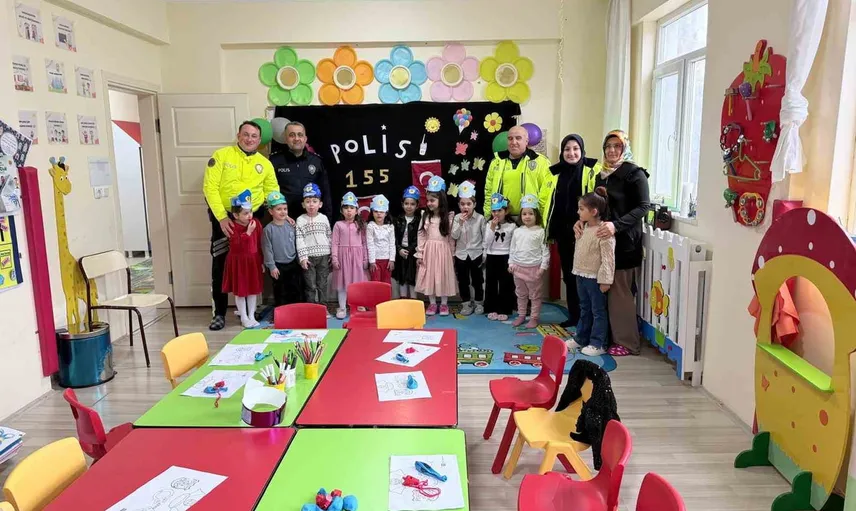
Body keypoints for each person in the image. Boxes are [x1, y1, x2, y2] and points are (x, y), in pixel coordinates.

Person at [575, 130, 650, 356]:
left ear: (625, 148)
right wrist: (582, 221)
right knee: (601, 294)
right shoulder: (602, 175)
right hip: (602, 239)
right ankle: (603, 338)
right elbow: (595, 206)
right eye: (608, 146)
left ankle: (627, 342)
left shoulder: (635, 174)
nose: (612, 150)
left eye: (617, 146)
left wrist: (616, 226)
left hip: (625, 242)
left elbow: (643, 206)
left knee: (620, 293)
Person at [202, 120, 278, 330]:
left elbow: (272, 190)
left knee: (251, 263)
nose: (249, 139)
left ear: (259, 140)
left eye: (254, 136)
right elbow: (210, 187)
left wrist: (278, 213)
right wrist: (221, 217)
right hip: (225, 219)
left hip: (253, 220)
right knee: (221, 264)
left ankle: (249, 311)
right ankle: (219, 313)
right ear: (238, 136)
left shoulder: (265, 163)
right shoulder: (222, 156)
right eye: (246, 134)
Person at [540, 134, 599, 328]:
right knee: (569, 275)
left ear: (582, 150)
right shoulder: (554, 172)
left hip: (585, 232)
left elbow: (598, 201)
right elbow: (545, 200)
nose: (571, 153)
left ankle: (588, 319)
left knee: (586, 276)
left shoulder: (592, 169)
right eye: (567, 149)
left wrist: (586, 221)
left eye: (575, 149)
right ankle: (574, 316)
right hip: (563, 232)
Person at [568, 187, 615, 356]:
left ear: (594, 211)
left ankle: (598, 343)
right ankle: (581, 338)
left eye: (581, 209)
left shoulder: (603, 231)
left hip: (595, 278)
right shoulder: (583, 227)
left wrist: (605, 280)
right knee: (584, 308)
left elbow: (608, 258)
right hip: (580, 274)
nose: (578, 212)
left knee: (598, 311)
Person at [483, 125, 552, 218]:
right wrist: (488, 216)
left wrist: (541, 219)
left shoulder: (541, 162)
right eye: (510, 138)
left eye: (518, 138)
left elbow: (546, 194)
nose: (513, 142)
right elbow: (488, 191)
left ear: (526, 141)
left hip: (529, 219)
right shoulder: (496, 162)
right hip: (502, 219)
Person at [270, 121, 333, 223]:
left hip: (312, 220)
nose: (296, 138)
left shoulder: (316, 161)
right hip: (284, 220)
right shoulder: (275, 161)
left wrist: (328, 219)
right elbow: (270, 192)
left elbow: (325, 193)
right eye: (292, 135)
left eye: (300, 135)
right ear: (286, 139)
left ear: (305, 139)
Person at [221, 190, 263, 329]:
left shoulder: (256, 223)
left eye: (250, 212)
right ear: (236, 215)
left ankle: (251, 315)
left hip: (253, 261)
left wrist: (262, 261)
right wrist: (247, 233)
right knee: (241, 290)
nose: (249, 215)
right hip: (238, 262)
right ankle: (244, 316)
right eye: (245, 213)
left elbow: (260, 243)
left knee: (253, 290)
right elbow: (236, 245)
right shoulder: (232, 226)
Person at [415, 176, 457, 316]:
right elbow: (421, 235)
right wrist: (420, 253)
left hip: (443, 251)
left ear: (441, 200)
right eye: (428, 200)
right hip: (429, 251)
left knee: (443, 275)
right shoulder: (425, 216)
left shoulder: (448, 217)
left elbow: (451, 238)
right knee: (430, 276)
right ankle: (432, 303)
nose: (429, 203)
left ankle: (444, 304)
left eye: (432, 200)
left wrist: (452, 254)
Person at [509, 194, 550, 329]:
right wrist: (511, 263)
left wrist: (542, 268)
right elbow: (512, 248)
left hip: (534, 269)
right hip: (518, 268)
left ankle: (534, 317)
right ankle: (521, 315)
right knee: (520, 294)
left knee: (535, 295)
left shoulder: (541, 231)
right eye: (524, 214)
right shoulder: (517, 231)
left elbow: (545, 251)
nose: (527, 216)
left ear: (536, 215)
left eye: (531, 213)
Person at [332, 192, 369, 319]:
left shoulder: (361, 225)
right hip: (343, 258)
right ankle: (342, 307)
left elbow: (364, 243)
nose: (349, 211)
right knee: (342, 283)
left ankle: (358, 305)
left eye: (352, 208)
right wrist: (335, 258)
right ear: (341, 210)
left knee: (357, 283)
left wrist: (365, 258)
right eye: (346, 208)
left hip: (357, 258)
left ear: (356, 210)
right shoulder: (338, 225)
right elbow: (335, 243)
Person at [296, 183, 332, 313]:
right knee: (310, 285)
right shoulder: (300, 220)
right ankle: (311, 309)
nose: (311, 205)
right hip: (309, 257)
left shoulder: (324, 218)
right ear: (303, 204)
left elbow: (329, 235)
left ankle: (323, 308)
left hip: (324, 256)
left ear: (320, 204)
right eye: (308, 201)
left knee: (322, 284)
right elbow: (299, 239)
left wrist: (331, 253)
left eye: (314, 201)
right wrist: (303, 257)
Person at [451, 181, 485, 316]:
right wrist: (460, 223)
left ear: (474, 205)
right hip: (461, 254)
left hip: (476, 254)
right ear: (459, 205)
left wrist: (484, 254)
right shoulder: (457, 218)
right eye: (462, 204)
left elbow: (485, 237)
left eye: (469, 204)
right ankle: (466, 303)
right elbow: (454, 235)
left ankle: (479, 303)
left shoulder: (480, 218)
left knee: (477, 280)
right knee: (463, 280)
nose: (465, 206)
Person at [262, 191, 302, 307]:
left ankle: (295, 311)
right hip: (278, 266)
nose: (283, 211)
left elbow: (297, 243)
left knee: (295, 289)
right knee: (280, 291)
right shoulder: (268, 229)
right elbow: (267, 249)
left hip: (293, 263)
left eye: (285, 209)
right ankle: (281, 312)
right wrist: (272, 266)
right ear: (271, 211)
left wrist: (299, 259)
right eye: (279, 209)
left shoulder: (291, 226)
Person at [483, 193, 517, 321]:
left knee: (506, 284)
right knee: (491, 283)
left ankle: (505, 309)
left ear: (506, 211)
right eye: (494, 211)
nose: (496, 213)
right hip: (492, 256)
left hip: (506, 257)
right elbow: (486, 243)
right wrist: (492, 228)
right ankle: (491, 308)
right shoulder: (489, 224)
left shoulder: (512, 226)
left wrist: (511, 261)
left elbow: (514, 245)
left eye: (499, 210)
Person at [393, 186, 422, 299]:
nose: (409, 206)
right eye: (406, 203)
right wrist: (399, 249)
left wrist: (410, 250)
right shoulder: (398, 220)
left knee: (412, 278)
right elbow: (394, 237)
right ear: (402, 204)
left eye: (412, 204)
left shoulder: (419, 221)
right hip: (400, 253)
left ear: (417, 205)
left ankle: (413, 301)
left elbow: (419, 238)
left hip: (412, 254)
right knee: (402, 278)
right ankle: (403, 299)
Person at [366, 194, 395, 284]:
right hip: (375, 261)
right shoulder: (370, 226)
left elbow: (392, 244)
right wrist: (372, 262)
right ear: (372, 212)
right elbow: (370, 245)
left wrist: (392, 260)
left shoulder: (390, 227)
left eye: (381, 211)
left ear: (386, 213)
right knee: (376, 283)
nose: (379, 214)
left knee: (386, 283)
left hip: (387, 260)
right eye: (376, 211)